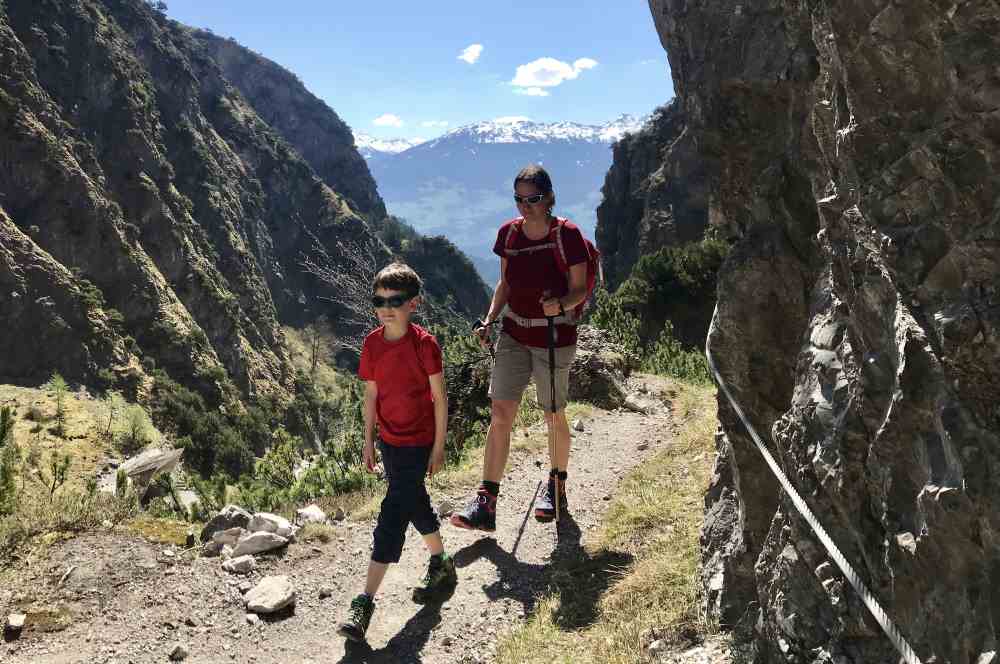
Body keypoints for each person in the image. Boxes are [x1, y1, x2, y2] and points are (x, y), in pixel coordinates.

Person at [451, 164, 589, 531]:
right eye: (519, 199)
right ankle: (486, 501)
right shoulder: (509, 235)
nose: (526, 206)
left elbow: (580, 288)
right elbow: (505, 285)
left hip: (553, 334)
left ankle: (557, 485)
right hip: (514, 332)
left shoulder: (568, 235)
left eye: (534, 199)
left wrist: (559, 305)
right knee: (500, 412)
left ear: (549, 198)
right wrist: (490, 318)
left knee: (553, 413)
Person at [337, 262, 457, 642]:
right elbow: (371, 393)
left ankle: (365, 603)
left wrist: (438, 447)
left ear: (413, 304)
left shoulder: (425, 344)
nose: (386, 307)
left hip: (419, 440)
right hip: (390, 440)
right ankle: (441, 561)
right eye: (379, 300)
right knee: (413, 499)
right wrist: (368, 439)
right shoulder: (372, 343)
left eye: (396, 300)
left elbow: (439, 398)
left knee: (392, 512)